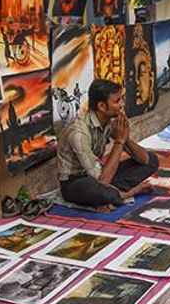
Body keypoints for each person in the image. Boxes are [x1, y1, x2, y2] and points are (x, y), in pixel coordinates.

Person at [56, 79, 157, 211]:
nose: (122, 105)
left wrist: (125, 138)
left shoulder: (107, 121)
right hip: (76, 182)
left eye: (121, 99)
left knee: (152, 160)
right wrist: (119, 142)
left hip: (98, 175)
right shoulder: (78, 132)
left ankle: (111, 195)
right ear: (102, 107)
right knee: (92, 186)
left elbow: (144, 160)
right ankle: (125, 194)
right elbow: (101, 181)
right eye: (117, 101)